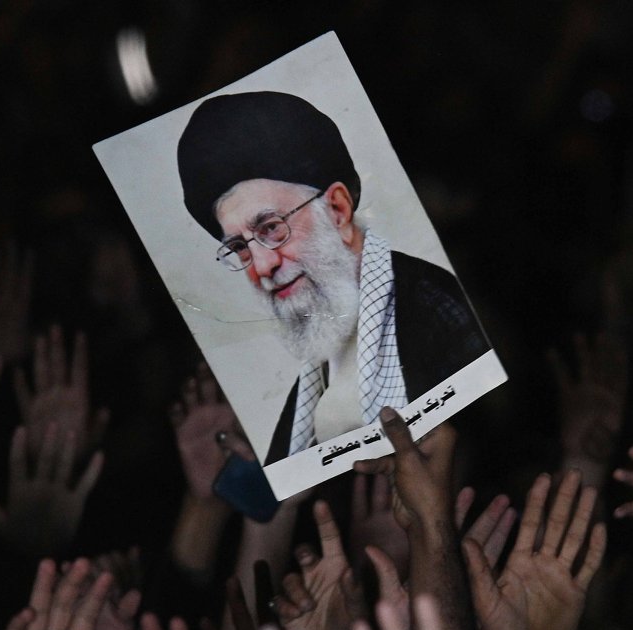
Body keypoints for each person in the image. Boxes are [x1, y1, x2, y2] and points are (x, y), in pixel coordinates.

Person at [176, 91, 489, 466]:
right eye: (240, 247)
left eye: (272, 228)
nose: (261, 267)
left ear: (338, 210)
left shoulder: (434, 306)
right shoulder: (322, 356)